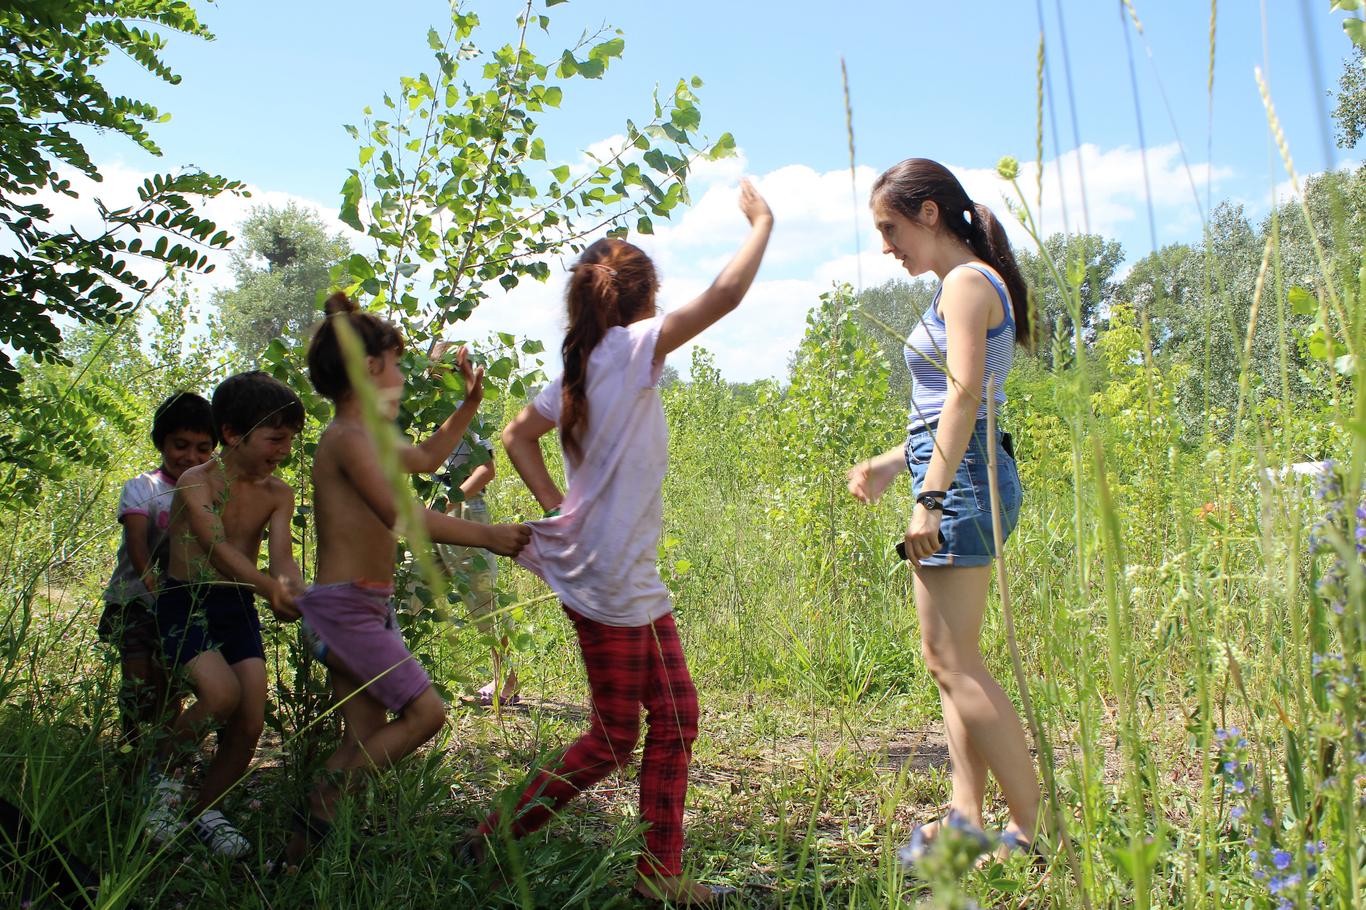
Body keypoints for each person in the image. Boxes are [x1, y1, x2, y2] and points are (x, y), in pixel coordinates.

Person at [469, 180, 773, 906]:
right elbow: (725, 297)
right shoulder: (633, 350)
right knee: (613, 737)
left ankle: (658, 876)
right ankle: (493, 838)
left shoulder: (578, 367)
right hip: (609, 581)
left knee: (674, 718)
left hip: (619, 574)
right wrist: (761, 222)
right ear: (642, 301)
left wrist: (558, 505)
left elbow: (515, 436)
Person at [279, 293, 530, 870]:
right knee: (426, 716)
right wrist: (488, 536)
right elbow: (401, 514)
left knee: (363, 740)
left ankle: (298, 861)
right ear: (370, 371)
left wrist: (469, 407)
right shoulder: (347, 438)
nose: (400, 376)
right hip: (346, 609)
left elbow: (429, 455)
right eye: (395, 365)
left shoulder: (369, 435)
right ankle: (319, 798)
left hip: (361, 607)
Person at [845, 158, 1041, 859]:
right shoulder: (962, 284)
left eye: (891, 227)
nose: (887, 244)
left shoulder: (964, 282)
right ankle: (965, 816)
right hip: (958, 469)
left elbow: (963, 398)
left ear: (930, 213)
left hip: (961, 482)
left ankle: (1030, 833)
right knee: (948, 659)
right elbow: (950, 411)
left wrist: (928, 498)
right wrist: (893, 462)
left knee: (955, 660)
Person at [145, 371, 307, 858]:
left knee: (251, 717)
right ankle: (160, 786)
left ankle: (205, 808)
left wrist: (294, 591)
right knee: (220, 694)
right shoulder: (197, 481)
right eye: (275, 438)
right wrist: (269, 589)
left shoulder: (278, 493)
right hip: (186, 599)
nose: (283, 450)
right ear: (233, 435)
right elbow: (214, 548)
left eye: (290, 440)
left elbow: (281, 560)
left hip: (235, 605)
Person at [99, 392, 216, 750]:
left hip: (181, 604)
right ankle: (130, 750)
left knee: (170, 685)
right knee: (137, 684)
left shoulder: (210, 493)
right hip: (133, 600)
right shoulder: (143, 488)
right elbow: (137, 547)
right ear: (161, 442)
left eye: (202, 447)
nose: (190, 456)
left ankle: (159, 759)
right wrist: (155, 592)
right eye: (180, 445)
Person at [422, 340, 519, 708]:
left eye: (444, 369)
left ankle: (506, 681)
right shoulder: (420, 412)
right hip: (425, 514)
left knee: (483, 603)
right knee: (408, 593)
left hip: (462, 512)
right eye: (433, 367)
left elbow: (486, 469)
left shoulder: (466, 414)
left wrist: (451, 500)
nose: (435, 375)